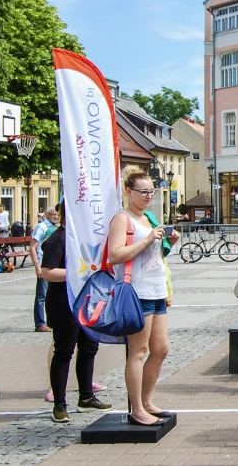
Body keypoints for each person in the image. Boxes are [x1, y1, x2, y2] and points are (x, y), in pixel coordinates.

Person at [107, 168, 180, 426]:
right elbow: (115, 255)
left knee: (161, 348)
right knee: (138, 351)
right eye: (143, 192)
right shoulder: (122, 219)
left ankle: (147, 401)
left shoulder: (149, 216)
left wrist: (170, 240)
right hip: (136, 292)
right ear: (129, 192)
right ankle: (136, 408)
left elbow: (154, 256)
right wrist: (148, 239)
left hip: (157, 289)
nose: (148, 196)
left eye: (151, 191)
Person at [41, 204, 112, 422]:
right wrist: (78, 273)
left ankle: (86, 397)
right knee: (64, 351)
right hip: (64, 301)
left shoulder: (88, 238)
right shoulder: (59, 238)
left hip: (88, 299)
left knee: (89, 347)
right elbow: (47, 272)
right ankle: (59, 404)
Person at [29, 207, 60, 333]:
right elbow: (32, 248)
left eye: (58, 214)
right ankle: (40, 323)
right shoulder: (42, 227)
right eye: (54, 214)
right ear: (47, 215)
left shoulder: (55, 227)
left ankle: (50, 321)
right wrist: (37, 266)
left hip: (53, 266)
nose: (56, 217)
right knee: (41, 295)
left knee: (51, 295)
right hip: (44, 265)